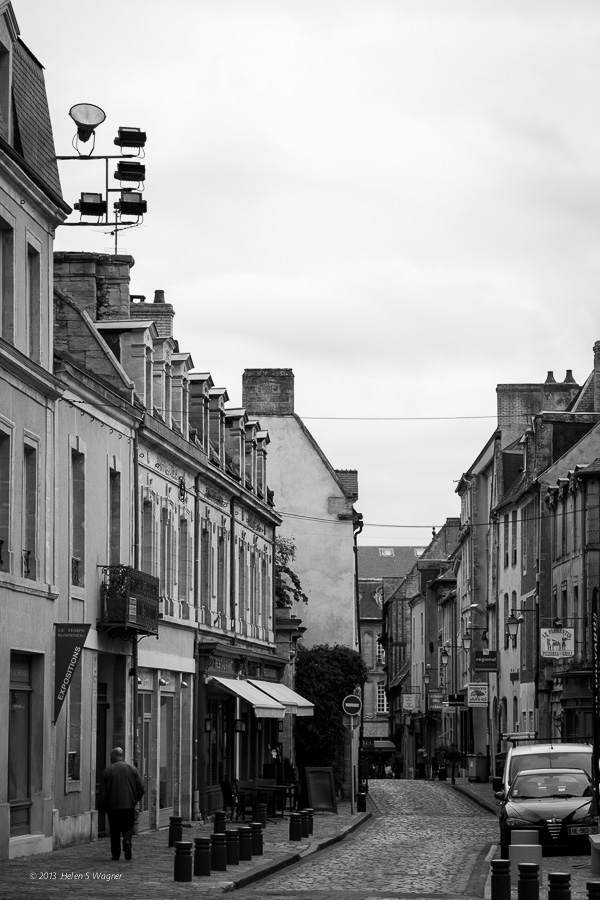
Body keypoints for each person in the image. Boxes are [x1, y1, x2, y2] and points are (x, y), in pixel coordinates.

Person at [99, 747, 144, 861]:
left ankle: (116, 854)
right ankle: (127, 841)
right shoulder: (132, 769)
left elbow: (103, 792)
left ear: (112, 757)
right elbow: (141, 788)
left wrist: (102, 807)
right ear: (122, 756)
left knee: (114, 830)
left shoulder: (107, 771)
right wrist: (134, 800)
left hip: (113, 806)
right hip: (128, 805)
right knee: (128, 827)